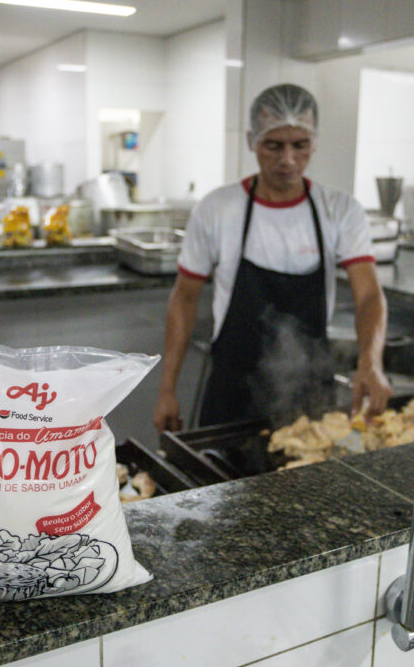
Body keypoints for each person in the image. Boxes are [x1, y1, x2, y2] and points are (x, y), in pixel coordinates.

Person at [153, 83, 392, 433]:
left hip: (309, 388)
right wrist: (166, 389)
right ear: (252, 141)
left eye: (300, 145)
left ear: (315, 142)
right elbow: (184, 298)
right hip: (232, 387)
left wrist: (371, 362)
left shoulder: (340, 210)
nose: (287, 160)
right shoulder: (218, 209)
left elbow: (369, 295)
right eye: (273, 145)